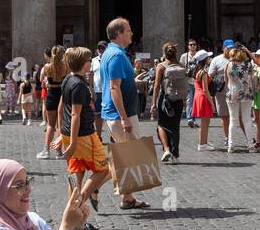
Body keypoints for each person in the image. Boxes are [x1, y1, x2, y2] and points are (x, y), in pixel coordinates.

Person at [99, 18, 147, 211]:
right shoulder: (117, 56)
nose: (131, 33)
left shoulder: (111, 53)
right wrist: (125, 118)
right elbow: (114, 88)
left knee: (126, 157)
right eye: (128, 30)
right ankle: (91, 189)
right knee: (128, 158)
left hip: (117, 114)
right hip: (121, 115)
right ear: (119, 34)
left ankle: (128, 198)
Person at [58, 46, 109, 211]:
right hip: (83, 134)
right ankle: (79, 205)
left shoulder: (67, 80)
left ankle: (75, 215)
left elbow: (61, 109)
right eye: (89, 60)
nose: (90, 63)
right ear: (84, 64)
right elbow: (75, 114)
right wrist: (72, 142)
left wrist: (61, 134)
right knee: (102, 170)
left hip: (69, 132)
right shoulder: (79, 85)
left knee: (77, 173)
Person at [150, 42, 186, 163]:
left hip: (165, 100)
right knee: (175, 126)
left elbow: (156, 86)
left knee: (161, 124)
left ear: (164, 53)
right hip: (178, 100)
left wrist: (153, 103)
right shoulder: (181, 65)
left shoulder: (161, 66)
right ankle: (175, 154)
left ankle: (166, 150)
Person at [224, 43, 256, 153]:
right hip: (246, 93)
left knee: (233, 120)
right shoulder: (248, 65)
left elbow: (226, 80)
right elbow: (253, 78)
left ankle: (231, 145)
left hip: (232, 93)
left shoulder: (229, 65)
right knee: (247, 119)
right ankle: (250, 145)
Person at [37, 46, 66, 160]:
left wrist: (48, 83)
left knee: (50, 125)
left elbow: (42, 80)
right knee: (60, 125)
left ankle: (46, 150)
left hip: (51, 95)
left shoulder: (47, 66)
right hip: (61, 95)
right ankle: (59, 151)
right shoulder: (65, 67)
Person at [207, 40, 232, 147]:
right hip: (221, 92)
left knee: (236, 117)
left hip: (234, 93)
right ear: (223, 48)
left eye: (232, 48)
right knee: (224, 116)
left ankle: (239, 137)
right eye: (228, 48)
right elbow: (210, 75)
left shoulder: (237, 59)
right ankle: (227, 137)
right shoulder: (216, 60)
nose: (230, 50)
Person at [191, 49, 216, 150]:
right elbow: (205, 90)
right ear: (205, 59)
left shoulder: (198, 71)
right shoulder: (203, 73)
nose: (209, 59)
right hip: (203, 97)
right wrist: (212, 103)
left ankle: (204, 142)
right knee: (205, 123)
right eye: (208, 57)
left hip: (198, 96)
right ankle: (202, 144)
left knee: (205, 122)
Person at [179, 39, 200, 128]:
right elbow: (181, 67)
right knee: (189, 100)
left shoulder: (199, 55)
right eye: (191, 45)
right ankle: (190, 118)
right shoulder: (184, 56)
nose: (192, 46)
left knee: (195, 101)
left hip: (197, 81)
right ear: (188, 46)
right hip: (188, 81)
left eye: (194, 45)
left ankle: (193, 119)